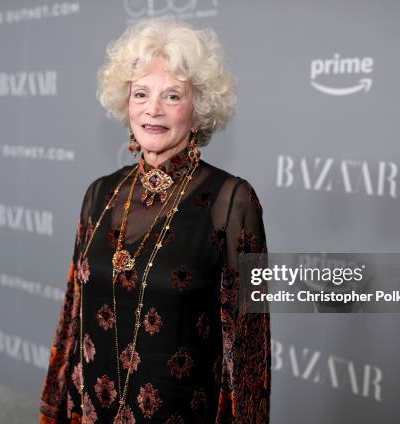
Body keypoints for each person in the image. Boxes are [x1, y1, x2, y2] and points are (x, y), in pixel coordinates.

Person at [39, 16, 270, 424]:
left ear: (198, 109)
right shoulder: (100, 194)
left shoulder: (231, 202)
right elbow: (71, 321)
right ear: (125, 102)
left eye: (172, 96)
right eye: (141, 93)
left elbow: (249, 346)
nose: (153, 110)